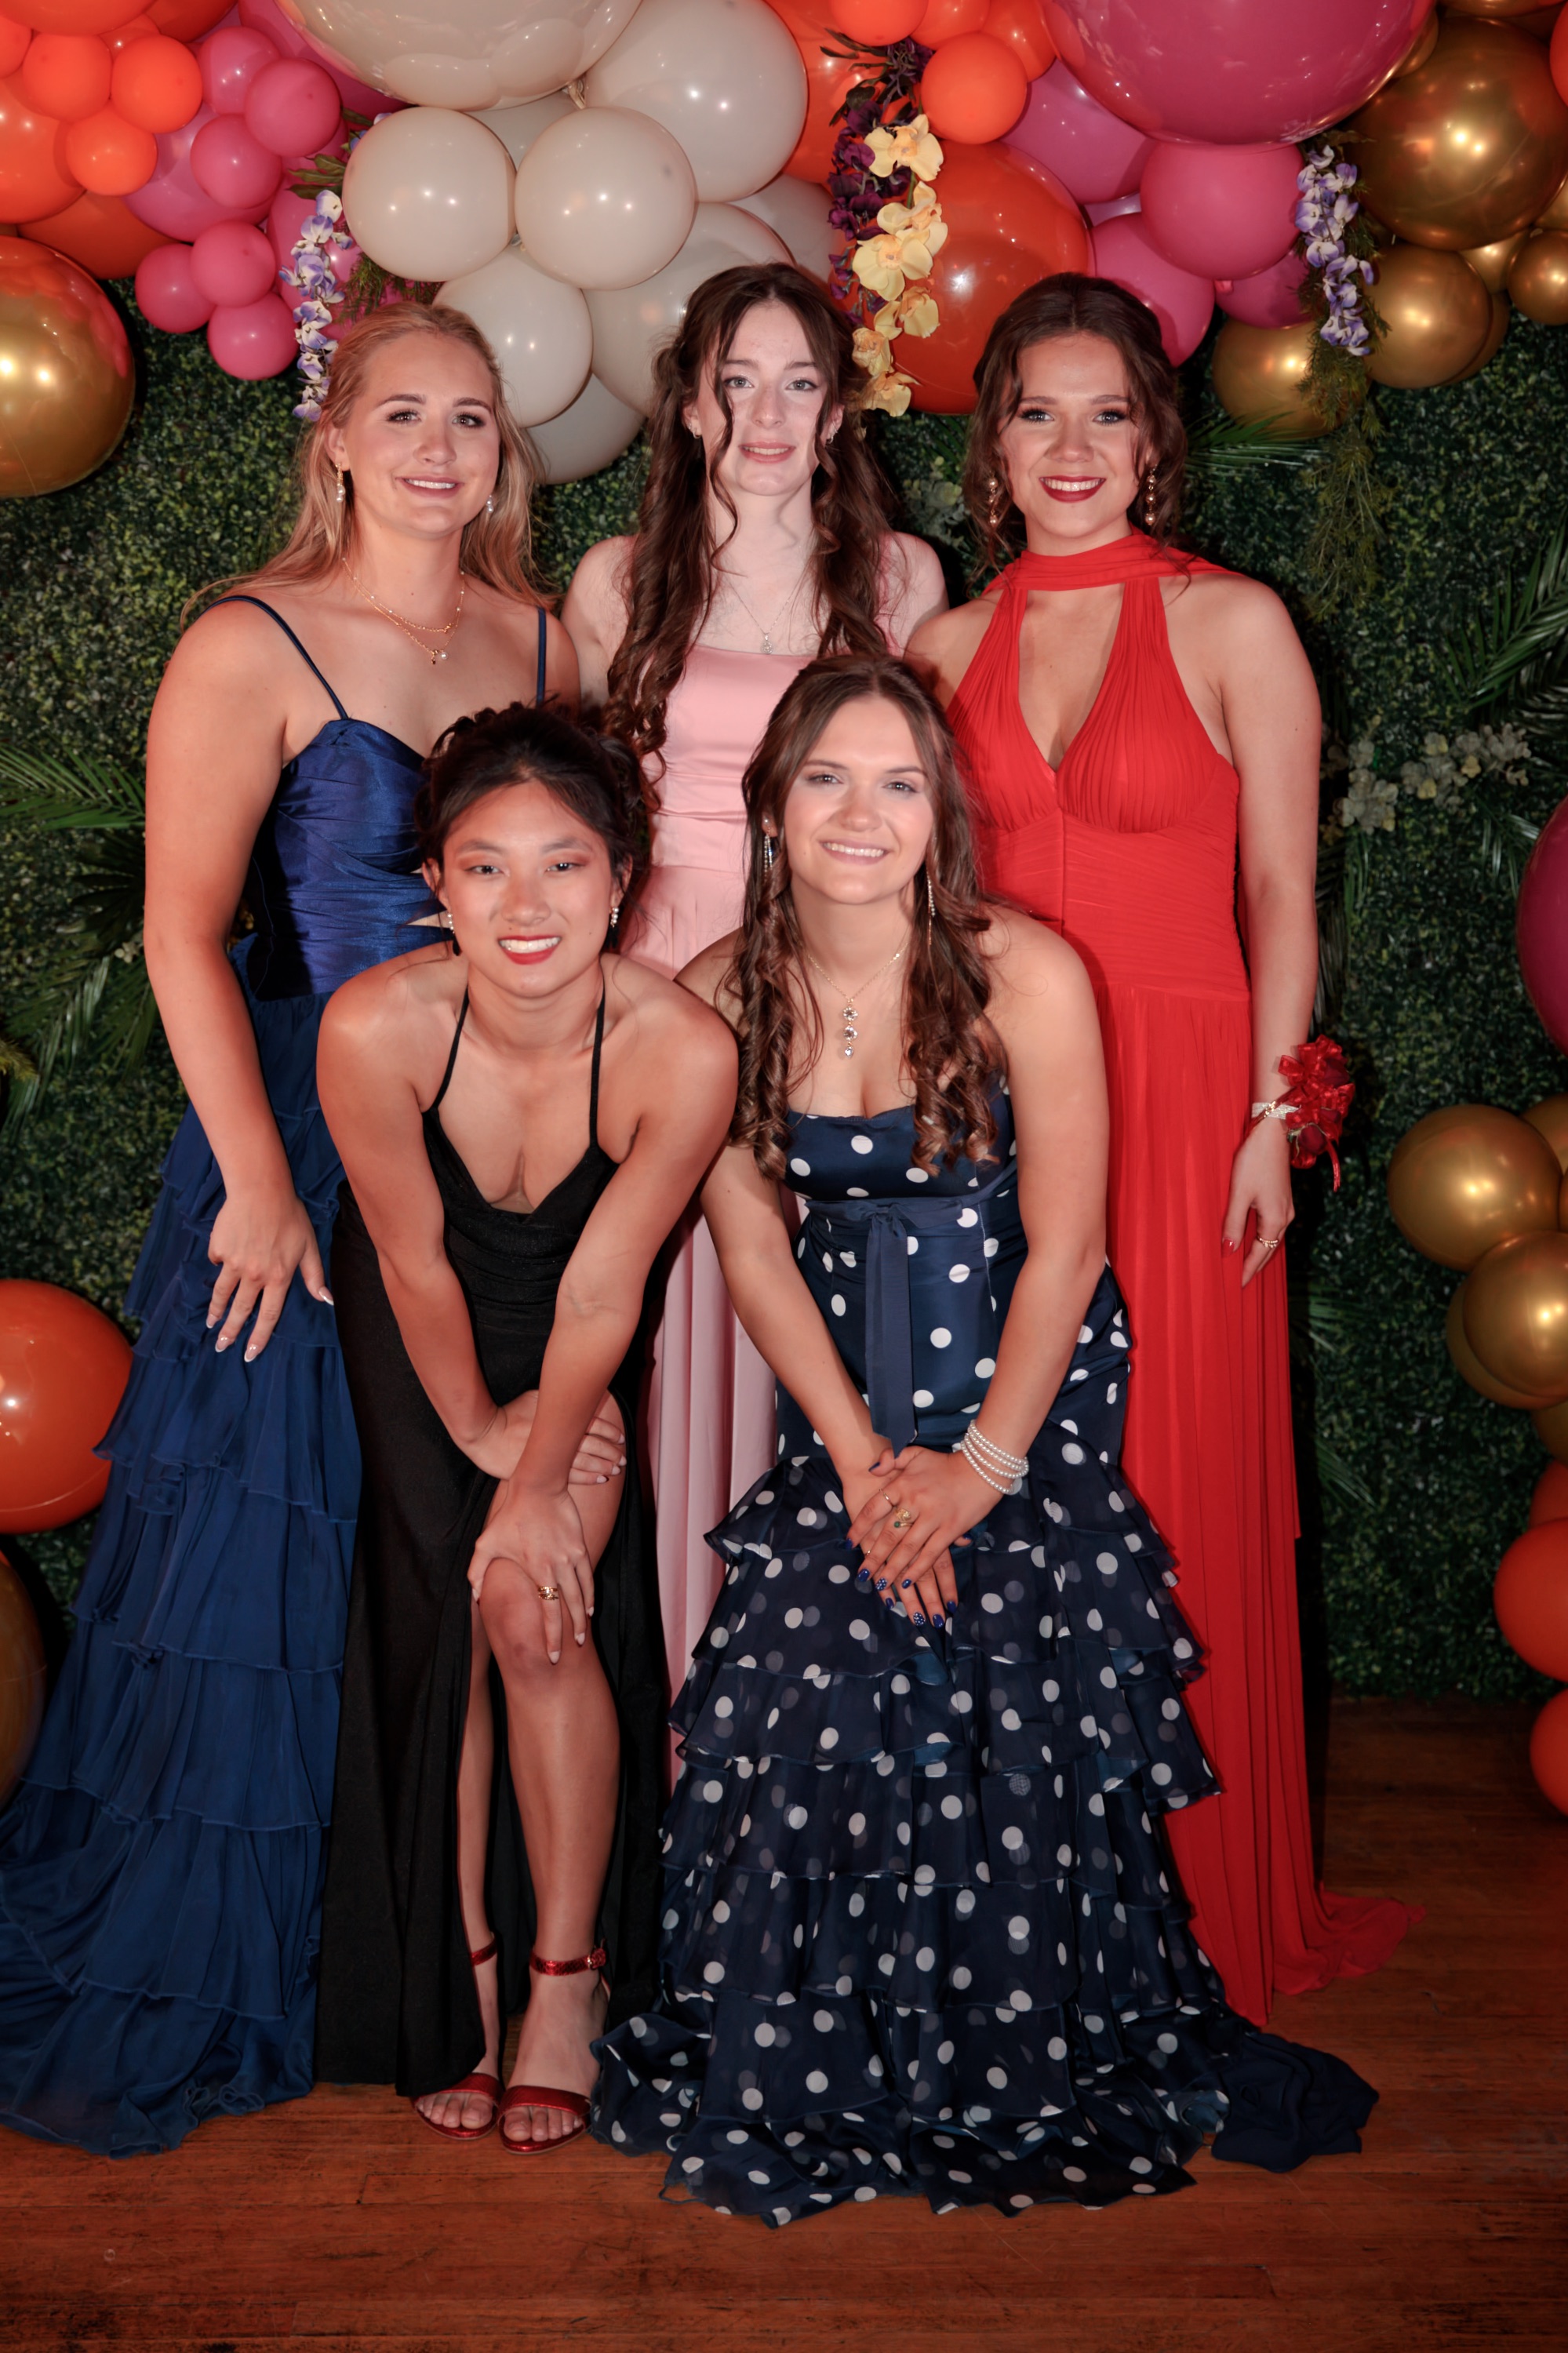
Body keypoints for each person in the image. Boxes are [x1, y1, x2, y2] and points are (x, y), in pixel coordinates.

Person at [592, 653, 1379, 2221]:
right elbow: (753, 1256)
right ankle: (850, 2053)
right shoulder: (716, 996)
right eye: (827, 777)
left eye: (898, 782)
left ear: (940, 810)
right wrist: (860, 1469)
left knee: (1000, 1713)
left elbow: (1069, 1249)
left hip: (1021, 1400)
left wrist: (980, 1472)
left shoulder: (1028, 973)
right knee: (818, 1693)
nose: (861, 812)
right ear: (771, 805)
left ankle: (1007, 2041)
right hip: (841, 1420)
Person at [0, 301, 575, 2158]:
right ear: (331, 438)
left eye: (470, 420)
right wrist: (253, 1177)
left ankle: (424, 1954)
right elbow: (182, 933)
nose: (437, 451)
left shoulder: (541, 635)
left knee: (448, 1543)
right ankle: (247, 1954)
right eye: (400, 415)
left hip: (495, 1141)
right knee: (267, 1545)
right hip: (299, 1135)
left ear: (505, 451)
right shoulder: (247, 639)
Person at [907, 275, 1417, 2028]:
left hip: (1193, 1101)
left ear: (1155, 440)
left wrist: (1278, 1120)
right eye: (1036, 414)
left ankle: (1195, 1912)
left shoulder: (1233, 623)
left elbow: (1281, 891)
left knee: (1177, 1486)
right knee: (1013, 1481)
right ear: (991, 446)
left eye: (1107, 413)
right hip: (995, 1117)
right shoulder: (941, 651)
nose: (1072, 448)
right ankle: (1028, 1909)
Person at [313, 705, 736, 2152]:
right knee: (443, 1617)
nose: (525, 905)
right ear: (436, 883)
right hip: (418, 1338)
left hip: (577, 1347)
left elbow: (607, 1289)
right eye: (484, 868)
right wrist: (475, 1433)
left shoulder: (682, 1047)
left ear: (623, 877)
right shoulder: (376, 1026)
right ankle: (464, 1973)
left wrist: (540, 1469)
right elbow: (413, 1260)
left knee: (530, 1605)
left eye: (563, 864)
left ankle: (566, 1976)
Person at [562, 262, 947, 1704]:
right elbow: (585, 816)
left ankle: (812, 1709)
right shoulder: (617, 582)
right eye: (737, 384)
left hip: (837, 989)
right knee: (662, 1327)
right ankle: (667, 1708)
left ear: (839, 411)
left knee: (817, 1316)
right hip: (663, 983)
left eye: (799, 384)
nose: (768, 416)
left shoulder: (904, 580)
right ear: (687, 406)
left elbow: (916, 808)